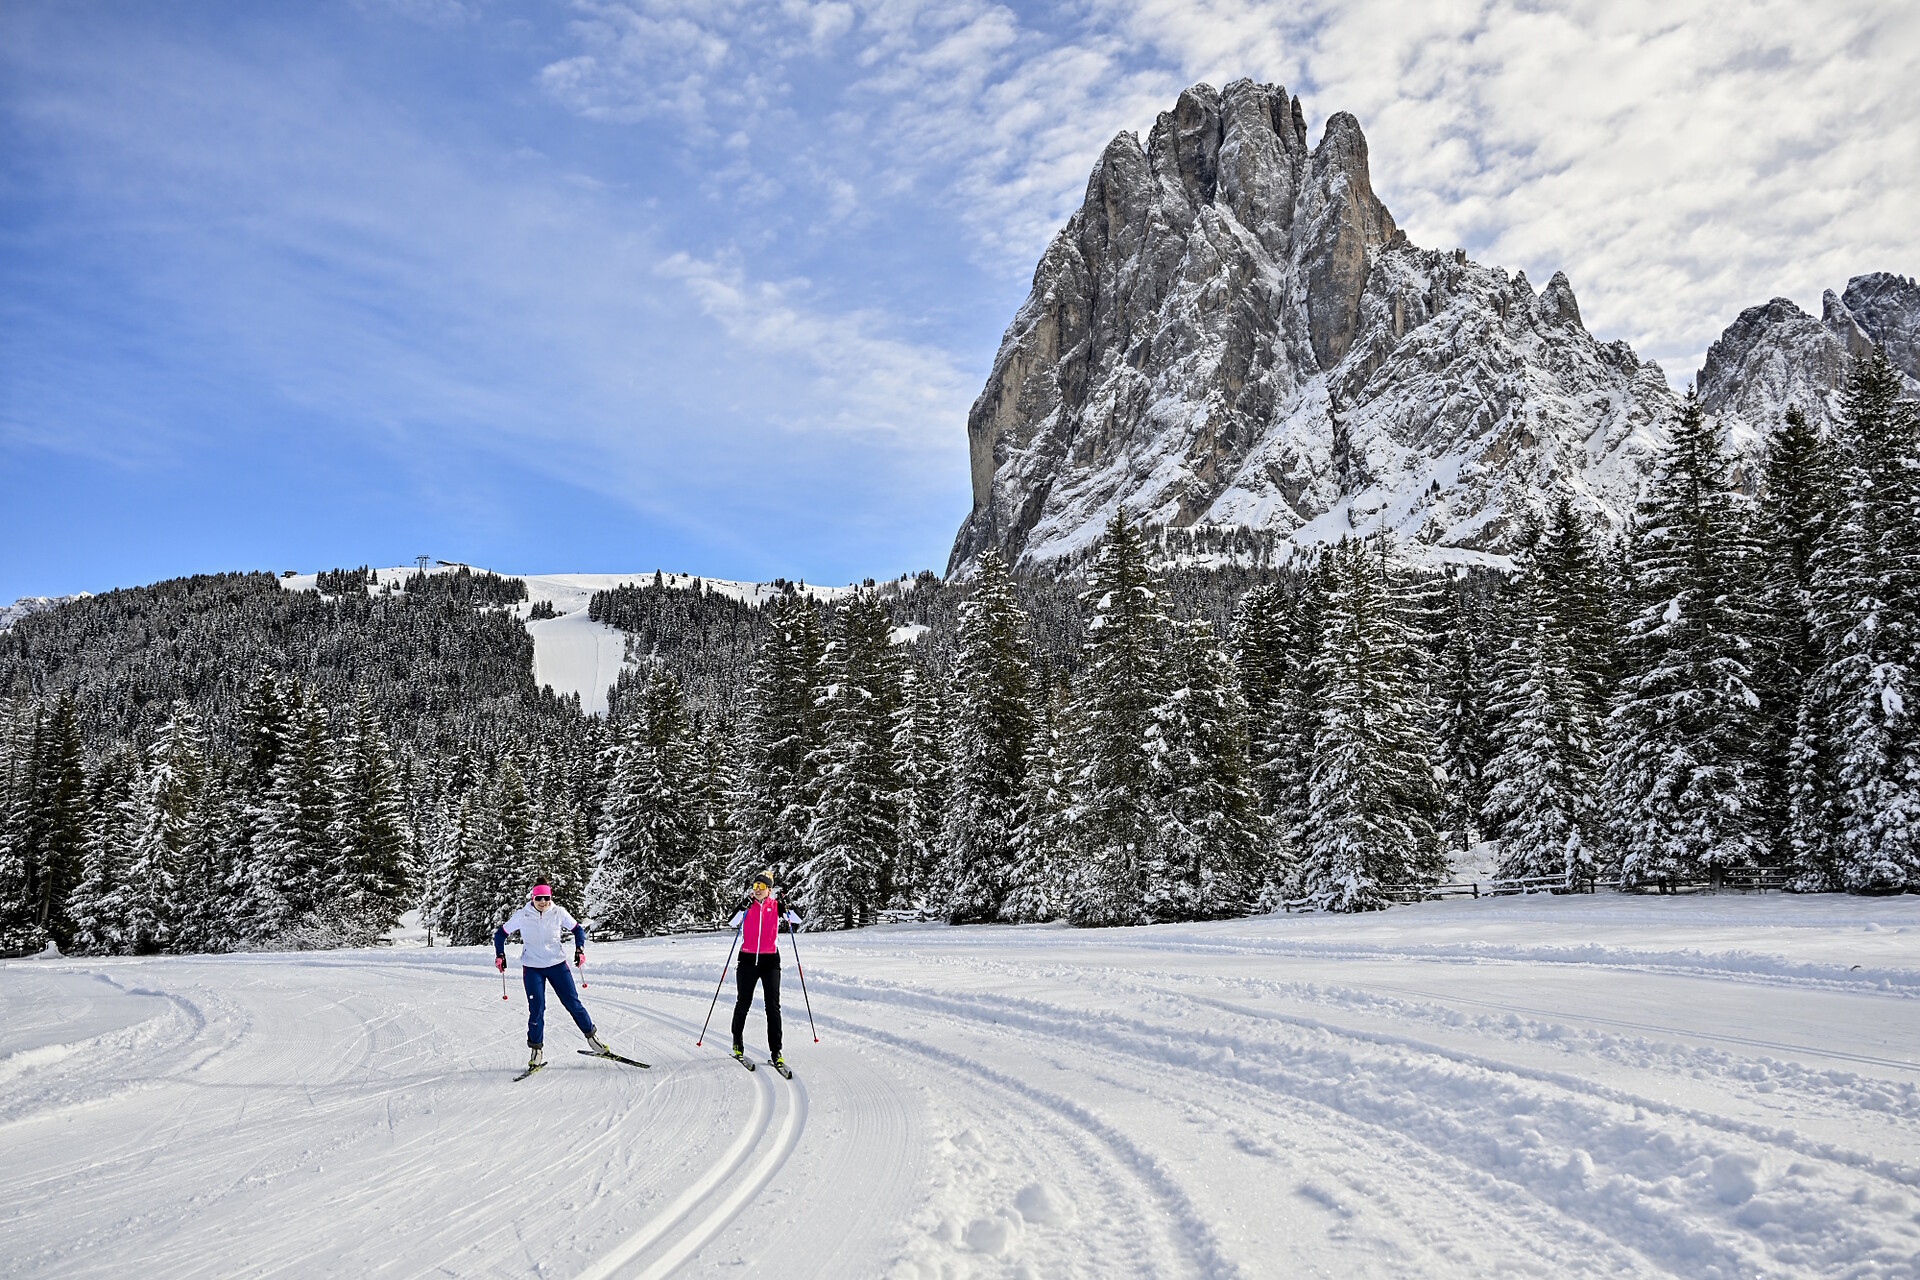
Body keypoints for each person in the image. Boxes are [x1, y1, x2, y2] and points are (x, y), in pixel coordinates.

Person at [496, 884, 609, 1071]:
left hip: (557, 966)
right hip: (533, 968)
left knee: (573, 1003)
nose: (543, 902)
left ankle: (592, 1038)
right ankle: (536, 1051)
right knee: (537, 1008)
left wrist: (580, 950)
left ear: (550, 898)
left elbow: (578, 930)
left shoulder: (558, 912)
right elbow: (500, 935)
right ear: (532, 898)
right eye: (538, 898)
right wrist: (500, 954)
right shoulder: (522, 915)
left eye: (546, 898)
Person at [728, 873, 801, 1070]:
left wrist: (788, 905)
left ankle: (776, 1051)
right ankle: (737, 1043)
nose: (757, 888)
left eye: (762, 885)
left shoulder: (775, 906)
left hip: (770, 961)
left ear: (769, 889)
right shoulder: (748, 905)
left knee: (773, 1006)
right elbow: (732, 922)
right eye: (755, 885)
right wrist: (741, 906)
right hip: (747, 960)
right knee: (743, 1002)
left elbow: (797, 919)